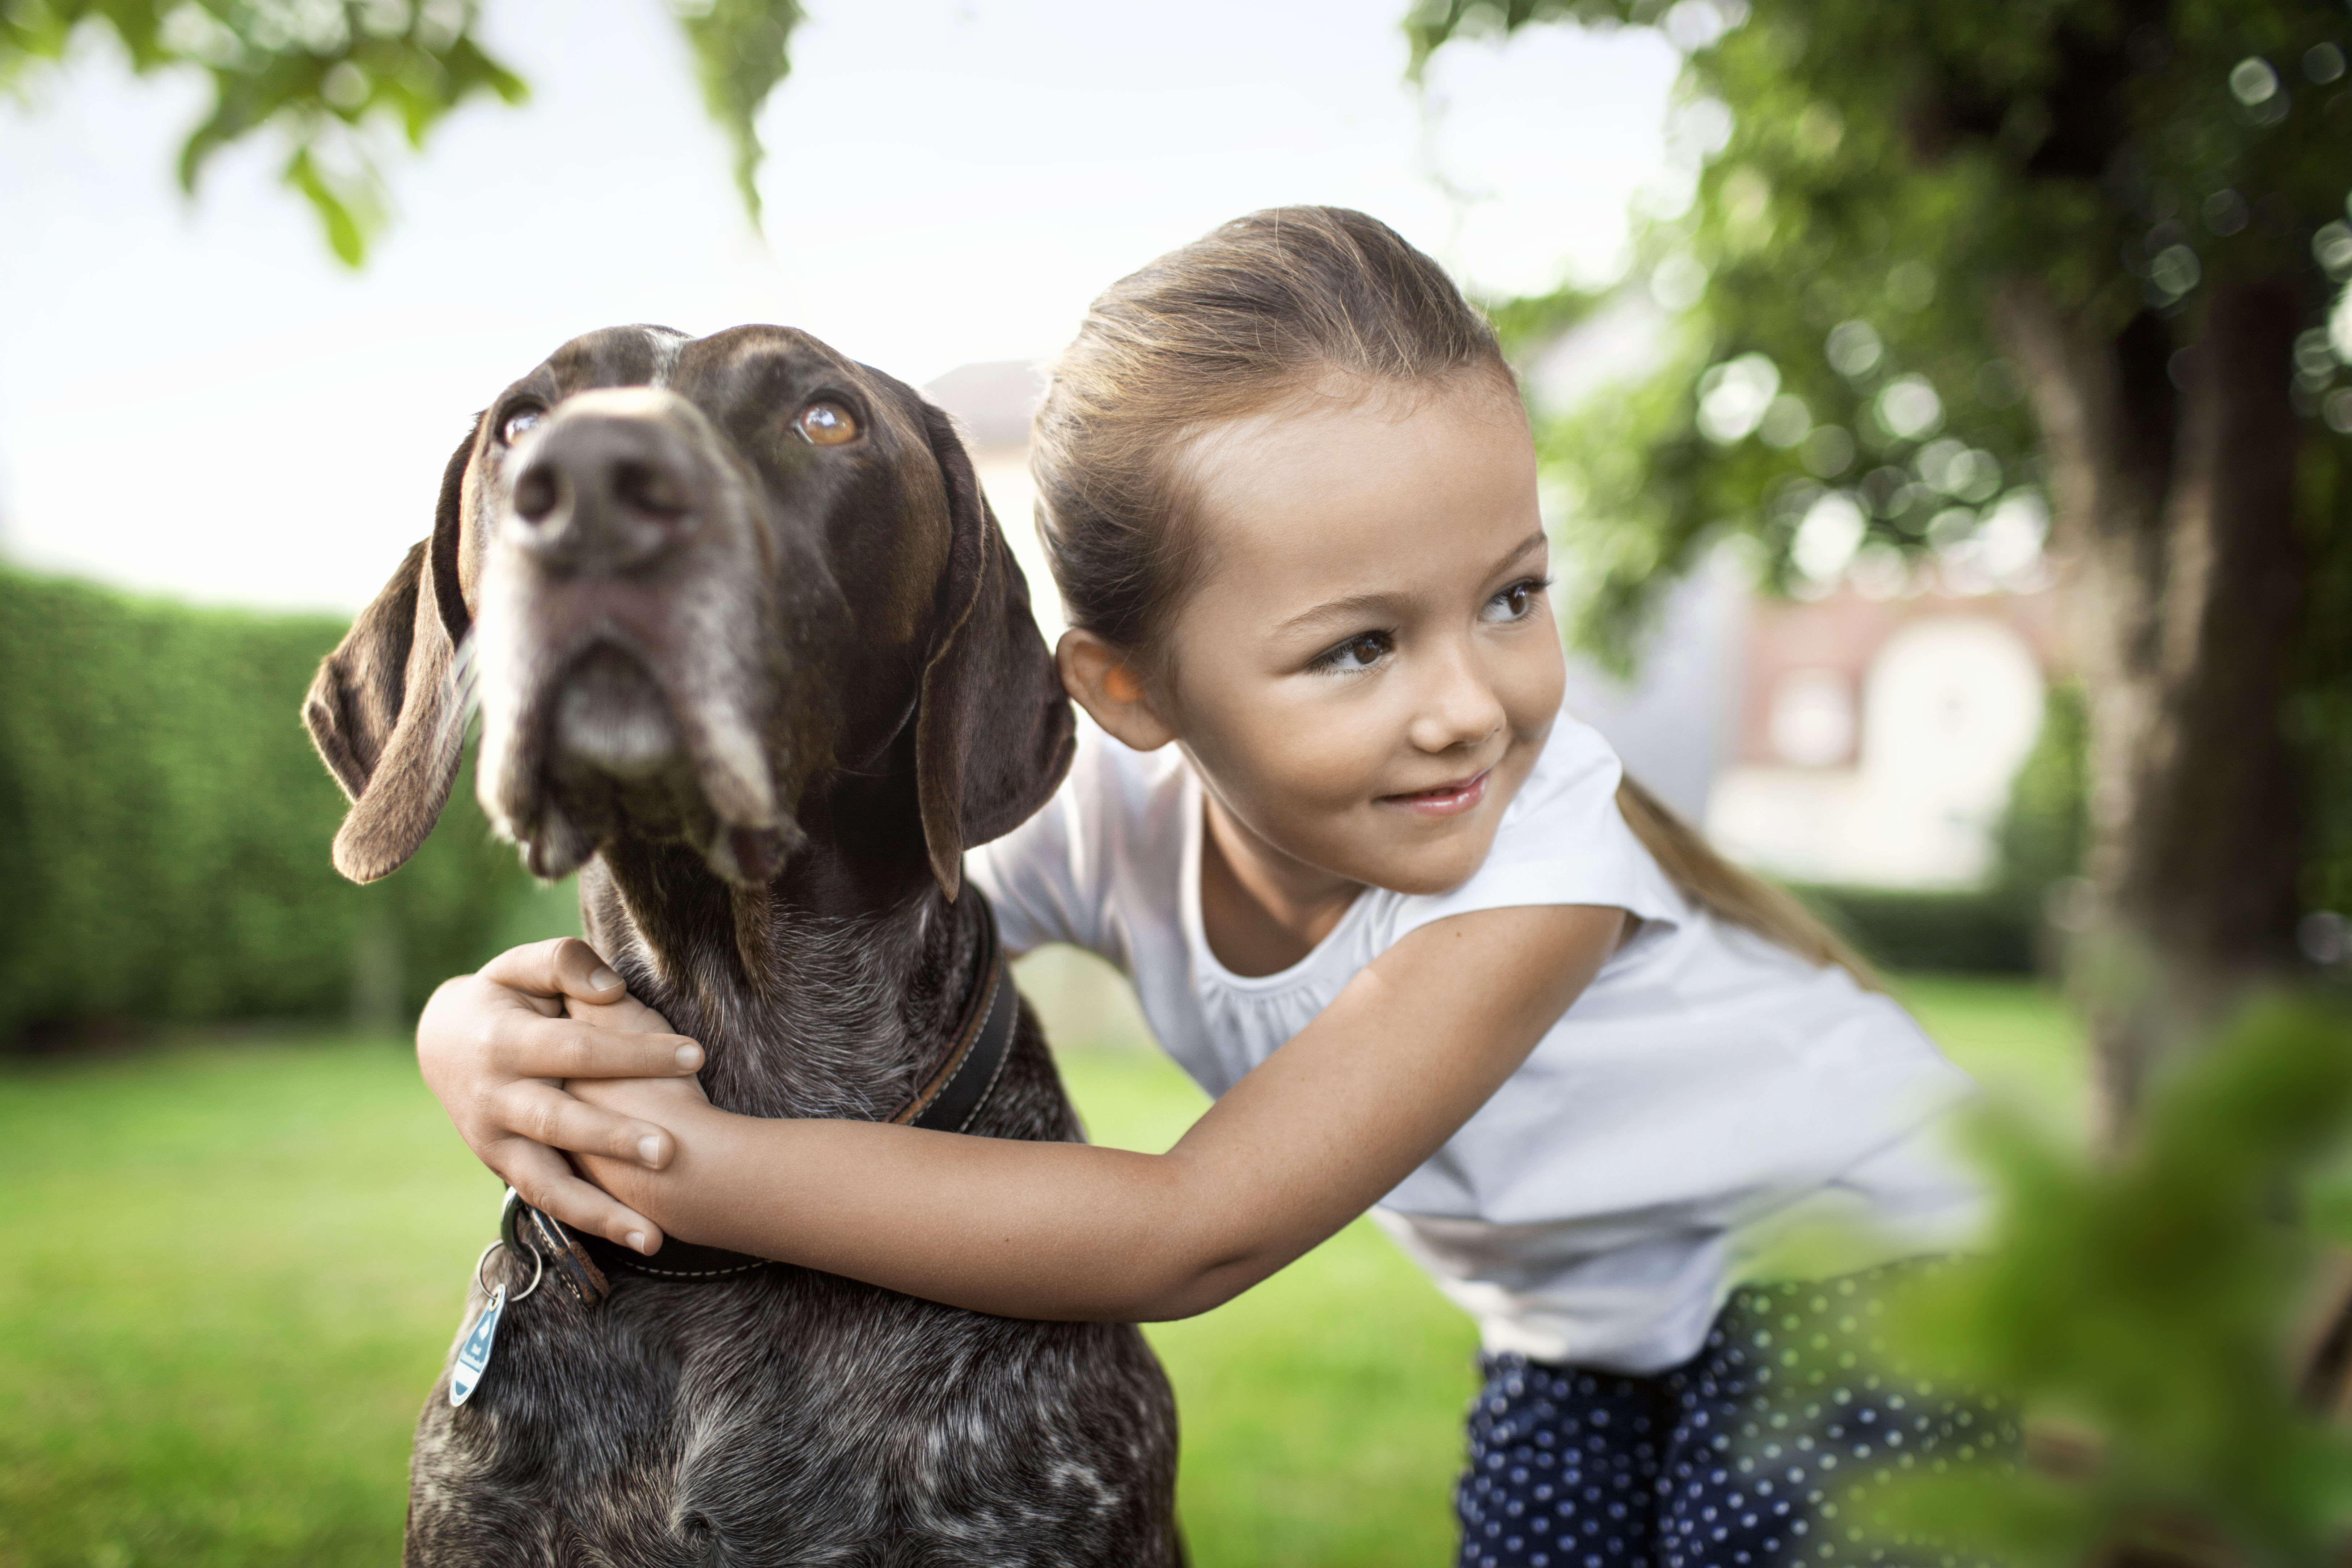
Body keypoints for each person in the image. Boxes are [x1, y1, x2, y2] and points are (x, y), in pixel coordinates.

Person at [418, 207, 2007, 1568]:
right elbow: (859, 881)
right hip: (1590, 1331)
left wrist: (672, 1162)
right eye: (1359, 646)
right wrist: (469, 1036)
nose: (1467, 703)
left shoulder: (1548, 853)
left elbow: (1188, 1231)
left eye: (1513, 595)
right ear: (1129, 696)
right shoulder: (1103, 813)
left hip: (1875, 1268)